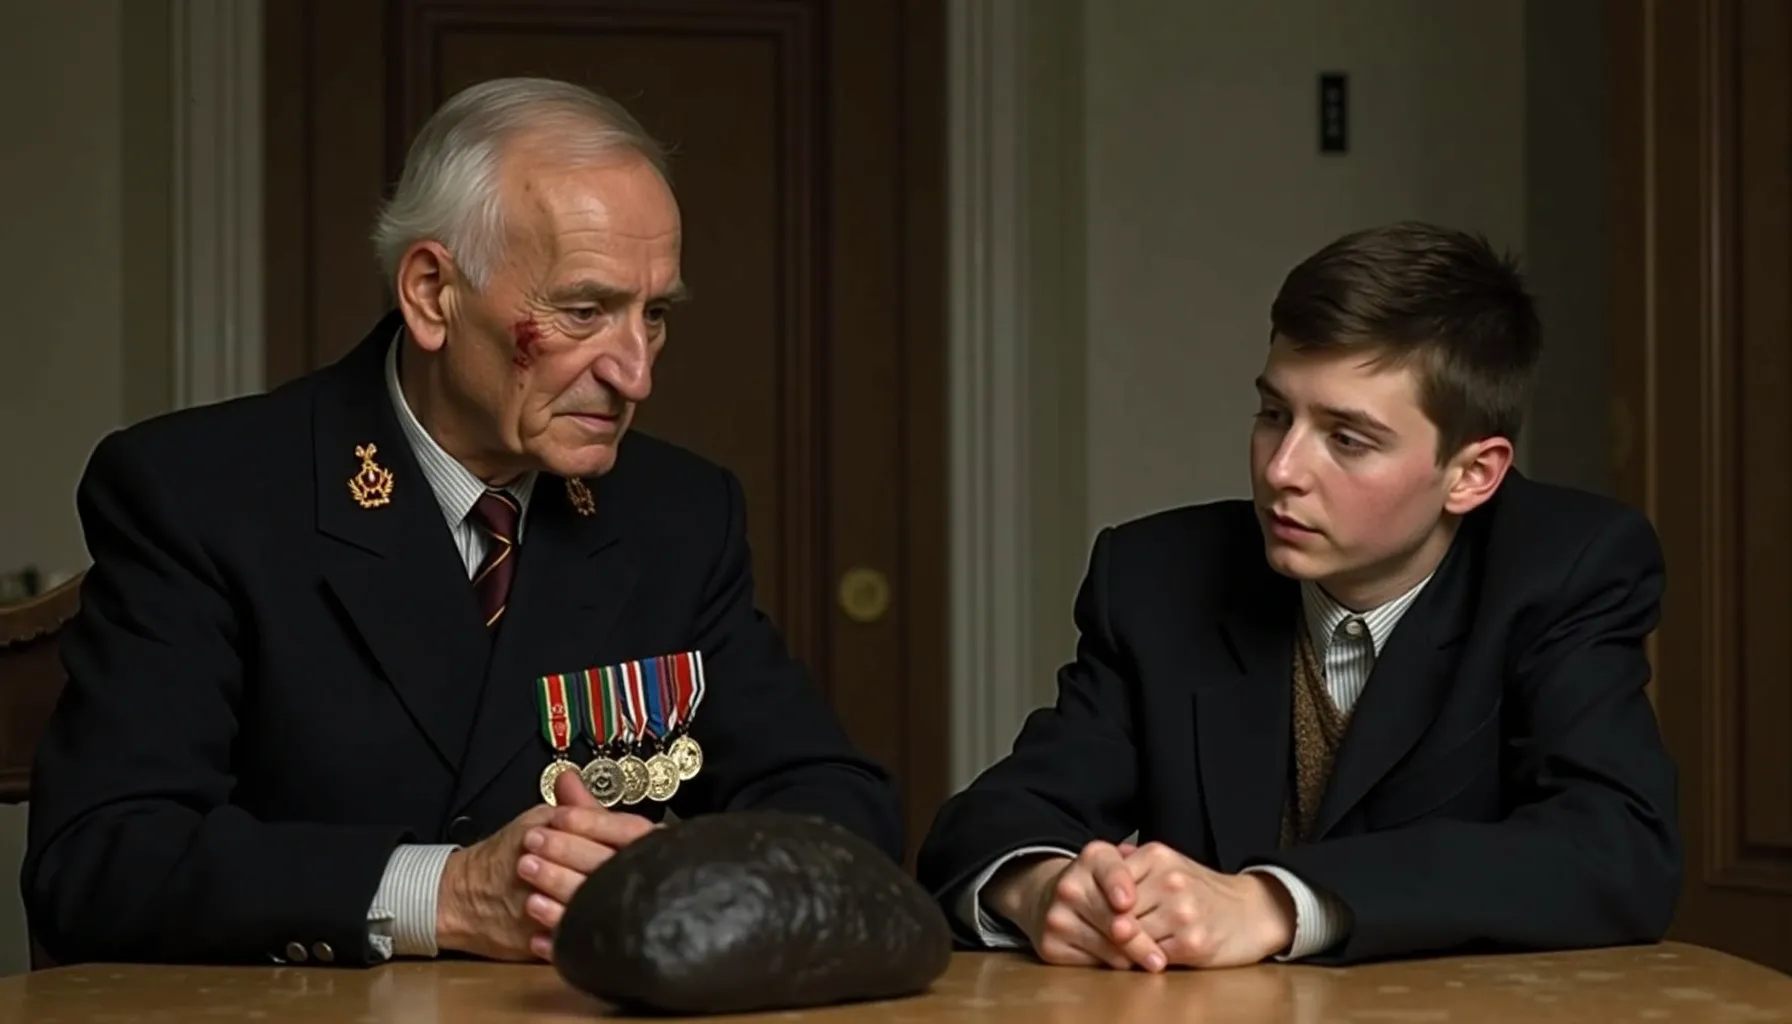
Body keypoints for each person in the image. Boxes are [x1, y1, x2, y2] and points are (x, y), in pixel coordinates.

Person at [22, 77, 902, 967]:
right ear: (432, 293)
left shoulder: (677, 513)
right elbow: (101, 859)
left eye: (656, 315)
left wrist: (675, 879)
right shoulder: (201, 493)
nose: (635, 373)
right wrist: (445, 894)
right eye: (584, 311)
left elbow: (837, 801)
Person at [915, 222, 1683, 970]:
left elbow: (1617, 850)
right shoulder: (1156, 576)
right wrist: (1044, 890)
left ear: (1471, 474)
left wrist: (1274, 904)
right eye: (1274, 414)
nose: (1281, 469)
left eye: (1347, 439)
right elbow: (990, 824)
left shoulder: (1567, 568)